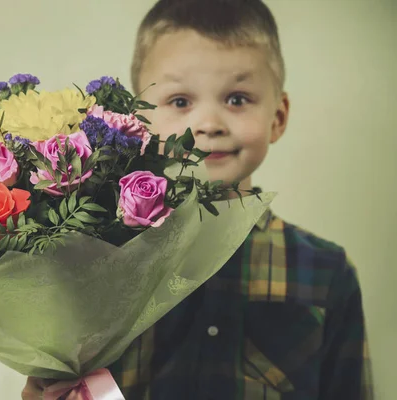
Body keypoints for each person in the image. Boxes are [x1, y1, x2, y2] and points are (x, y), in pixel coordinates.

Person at [22, 0, 373, 398]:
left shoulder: (327, 272)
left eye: (237, 99)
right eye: (180, 101)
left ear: (278, 116)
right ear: (139, 120)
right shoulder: (97, 261)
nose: (208, 124)